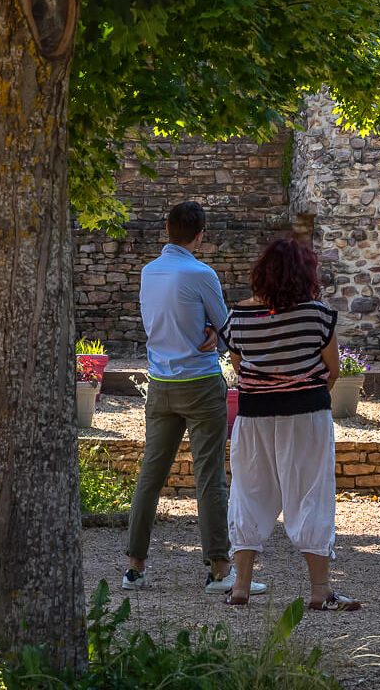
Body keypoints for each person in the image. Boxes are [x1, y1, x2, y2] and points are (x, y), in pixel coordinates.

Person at [124, 201, 264, 597]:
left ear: (166, 230)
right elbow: (226, 325)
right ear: (200, 234)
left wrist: (207, 327)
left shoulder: (149, 272)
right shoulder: (201, 273)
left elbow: (167, 316)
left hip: (160, 383)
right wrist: (214, 331)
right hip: (200, 382)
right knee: (209, 478)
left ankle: (134, 567)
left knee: (151, 476)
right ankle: (219, 570)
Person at [220, 236, 358, 610]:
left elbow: (238, 364)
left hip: (254, 416)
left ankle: (241, 587)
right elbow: (333, 370)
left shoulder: (239, 316)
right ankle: (320, 590)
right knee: (311, 493)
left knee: (249, 493)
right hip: (307, 414)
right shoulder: (317, 314)